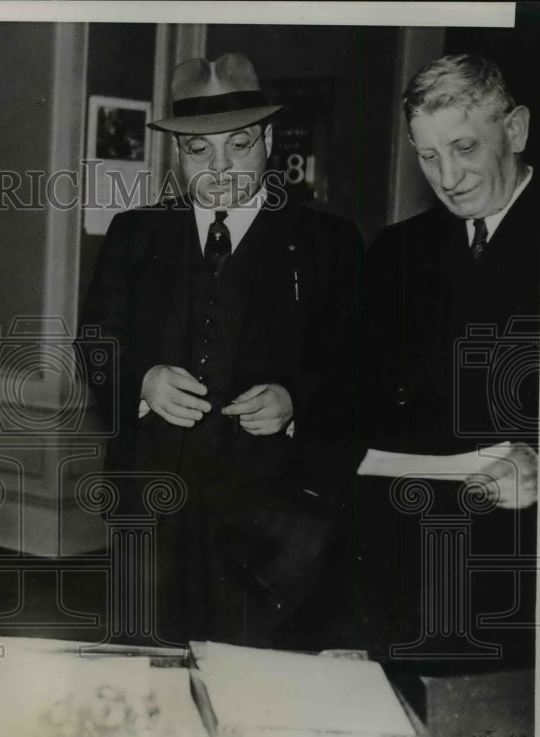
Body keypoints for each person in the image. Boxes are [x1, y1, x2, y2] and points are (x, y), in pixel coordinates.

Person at [76, 54, 363, 648]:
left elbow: (356, 367)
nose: (220, 167)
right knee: (145, 663)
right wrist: (143, 380)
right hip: (151, 500)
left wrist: (294, 401)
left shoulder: (325, 243)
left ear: (266, 138)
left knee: (251, 670)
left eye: (237, 146)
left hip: (272, 509)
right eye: (199, 151)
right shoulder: (135, 234)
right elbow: (97, 340)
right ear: (178, 155)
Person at [351, 54, 536, 669]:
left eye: (464, 148)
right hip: (409, 568)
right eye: (428, 157)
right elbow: (363, 399)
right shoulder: (398, 252)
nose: (448, 176)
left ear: (514, 131)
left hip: (522, 572)